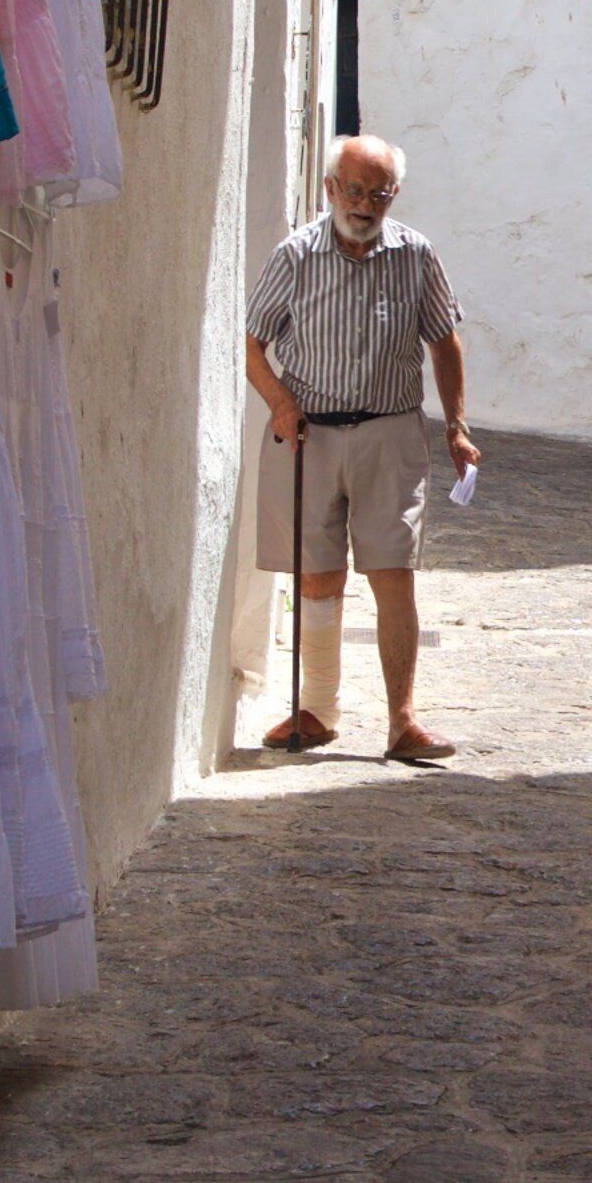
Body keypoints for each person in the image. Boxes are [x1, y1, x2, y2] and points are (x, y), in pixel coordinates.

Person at [243, 134, 481, 759]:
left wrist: (456, 424)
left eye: (379, 193)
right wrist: (281, 403)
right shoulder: (295, 257)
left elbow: (444, 340)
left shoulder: (415, 254)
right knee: (317, 577)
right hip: (308, 434)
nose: (366, 204)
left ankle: (403, 723)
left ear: (392, 196)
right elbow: (253, 345)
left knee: (392, 572)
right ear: (330, 188)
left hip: (389, 431)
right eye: (354, 189)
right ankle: (317, 710)